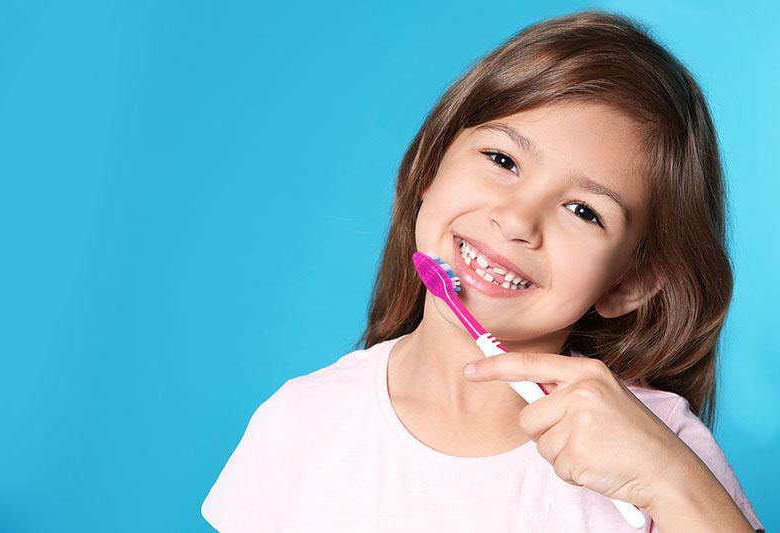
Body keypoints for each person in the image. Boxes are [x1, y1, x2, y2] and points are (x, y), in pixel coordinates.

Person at [201, 9, 765, 532]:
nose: (518, 218)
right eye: (503, 161)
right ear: (431, 171)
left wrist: (670, 482)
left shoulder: (661, 448)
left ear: (630, 281)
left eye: (583, 211)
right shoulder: (302, 422)